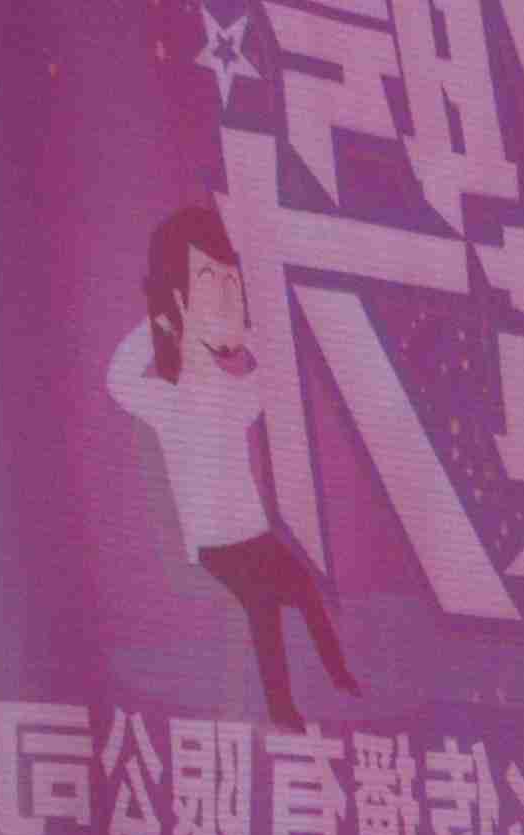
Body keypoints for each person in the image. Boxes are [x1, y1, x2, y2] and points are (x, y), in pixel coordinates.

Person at [107, 204, 355, 730]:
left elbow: (273, 377)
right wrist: (160, 321)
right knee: (262, 605)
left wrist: (244, 330)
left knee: (304, 590)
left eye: (231, 283)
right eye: (209, 283)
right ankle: (282, 710)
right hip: (214, 545)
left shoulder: (233, 391)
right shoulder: (166, 398)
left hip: (255, 535)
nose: (224, 295)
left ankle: (339, 675)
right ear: (179, 299)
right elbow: (118, 379)